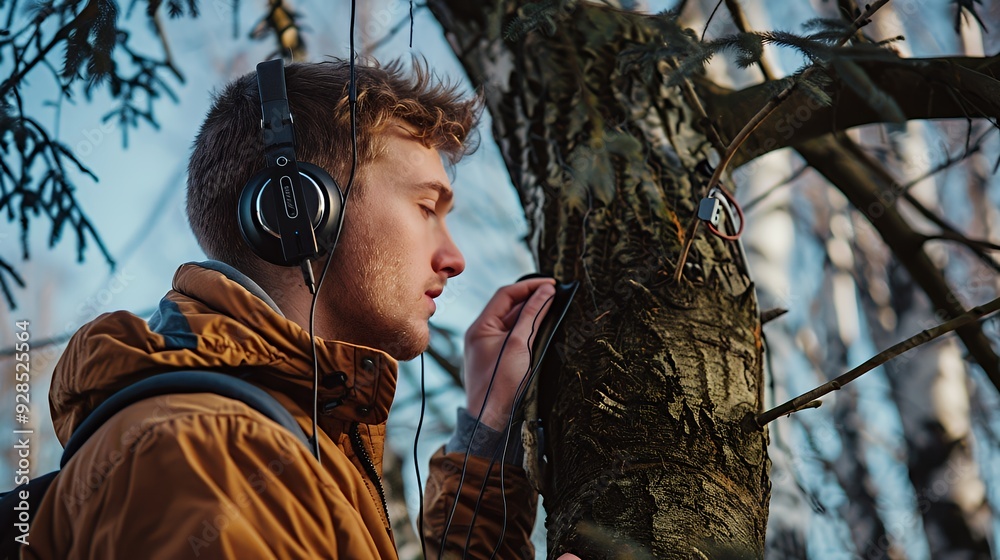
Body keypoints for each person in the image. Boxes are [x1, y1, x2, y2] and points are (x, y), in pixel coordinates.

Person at [24, 59, 556, 559]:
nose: (454, 258)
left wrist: (488, 425)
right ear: (298, 209)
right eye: (425, 208)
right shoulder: (212, 453)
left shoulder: (298, 435)